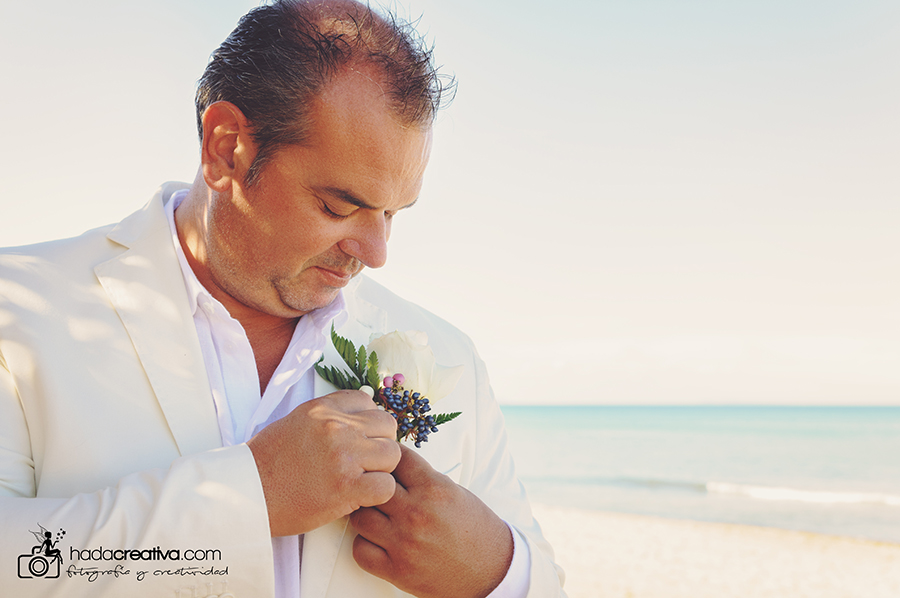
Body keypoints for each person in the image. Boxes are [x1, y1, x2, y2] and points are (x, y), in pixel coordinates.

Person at [0, 1, 565, 596]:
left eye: (392, 212)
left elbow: (542, 582)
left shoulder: (447, 355)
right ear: (226, 149)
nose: (375, 252)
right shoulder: (18, 305)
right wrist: (250, 499)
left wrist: (491, 570)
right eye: (339, 206)